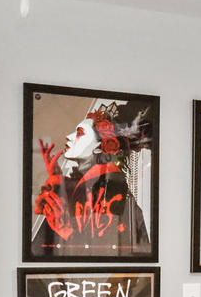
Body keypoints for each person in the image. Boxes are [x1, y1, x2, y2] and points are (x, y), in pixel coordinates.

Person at [32, 107, 150, 253]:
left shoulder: (110, 187)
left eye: (79, 133)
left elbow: (100, 247)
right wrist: (58, 181)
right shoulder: (95, 182)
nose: (68, 136)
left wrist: (66, 229)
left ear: (99, 147)